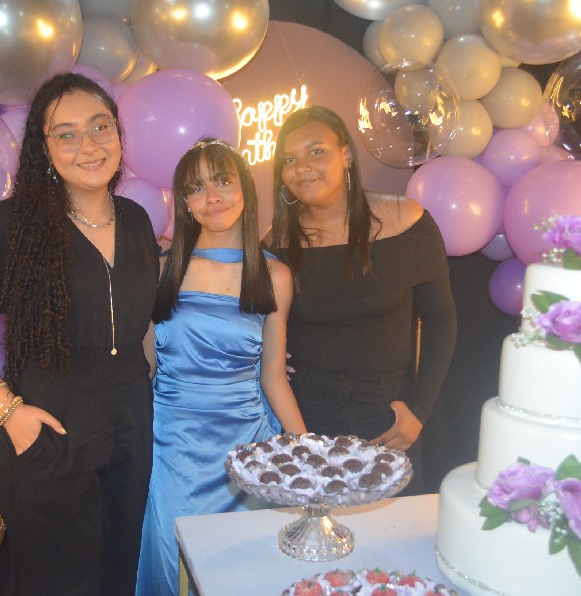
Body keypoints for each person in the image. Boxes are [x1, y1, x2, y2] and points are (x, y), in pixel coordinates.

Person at [0, 73, 159, 595]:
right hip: (48, 428)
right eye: (66, 134)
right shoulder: (13, 223)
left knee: (120, 574)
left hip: (130, 426)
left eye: (100, 126)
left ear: (119, 133)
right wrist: (9, 411)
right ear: (44, 148)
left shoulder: (136, 220)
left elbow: (144, 324)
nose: (89, 145)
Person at [135, 138, 306, 596]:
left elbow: (273, 377)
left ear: (244, 187)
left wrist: (307, 453)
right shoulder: (161, 269)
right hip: (172, 447)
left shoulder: (275, 275)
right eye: (196, 188)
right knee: (174, 565)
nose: (212, 197)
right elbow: (144, 367)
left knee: (244, 573)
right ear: (185, 202)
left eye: (223, 181)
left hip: (247, 448)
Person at [268, 106, 457, 495]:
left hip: (387, 418)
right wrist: (268, 351)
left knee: (392, 532)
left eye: (316, 151)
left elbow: (441, 319)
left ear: (346, 155)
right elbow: (259, 322)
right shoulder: (278, 240)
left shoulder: (405, 221)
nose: (302, 168)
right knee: (317, 530)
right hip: (307, 417)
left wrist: (419, 410)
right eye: (289, 159)